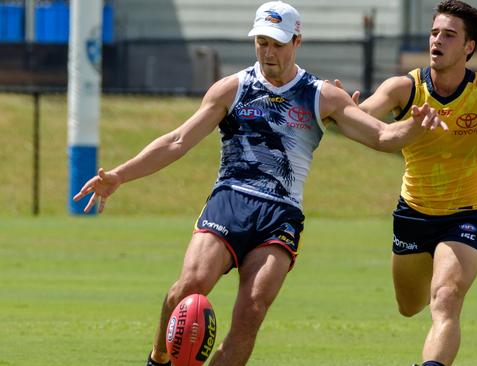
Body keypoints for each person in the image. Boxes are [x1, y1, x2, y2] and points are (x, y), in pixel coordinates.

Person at [73, 2, 443, 366]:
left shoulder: (322, 95)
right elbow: (177, 141)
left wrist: (413, 125)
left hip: (280, 215)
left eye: (278, 44)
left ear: (297, 41)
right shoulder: (231, 89)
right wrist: (120, 175)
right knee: (188, 288)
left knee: (251, 311)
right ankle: (158, 359)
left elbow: (380, 136)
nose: (268, 52)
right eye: (262, 42)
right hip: (230, 201)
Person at [339, 1, 477, 365]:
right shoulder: (404, 88)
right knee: (410, 306)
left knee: (446, 298)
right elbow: (360, 121)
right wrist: (341, 107)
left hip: (465, 216)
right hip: (413, 213)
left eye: (449, 35)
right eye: (434, 32)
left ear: (469, 46)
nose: (437, 40)